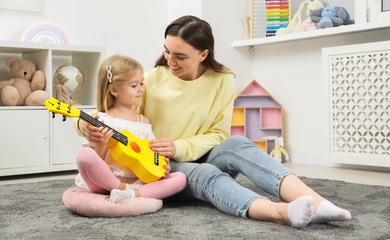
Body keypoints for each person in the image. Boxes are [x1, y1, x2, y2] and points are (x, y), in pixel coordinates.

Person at [77, 16, 351, 228]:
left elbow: (217, 135)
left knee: (238, 144)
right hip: (161, 169)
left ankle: (319, 203)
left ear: (203, 54)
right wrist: (84, 126)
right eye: (167, 52)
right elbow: (110, 112)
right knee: (206, 175)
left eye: (180, 56)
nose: (170, 61)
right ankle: (279, 213)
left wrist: (180, 145)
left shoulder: (222, 81)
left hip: (195, 153)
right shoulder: (152, 79)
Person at [74, 54, 186, 204]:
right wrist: (101, 144)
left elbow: (149, 152)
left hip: (138, 181)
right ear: (114, 90)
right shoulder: (103, 120)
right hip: (107, 181)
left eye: (142, 83)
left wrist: (161, 166)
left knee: (180, 179)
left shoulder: (143, 121)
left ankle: (131, 194)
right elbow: (96, 161)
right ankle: (121, 189)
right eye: (134, 86)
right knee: (85, 155)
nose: (140, 89)